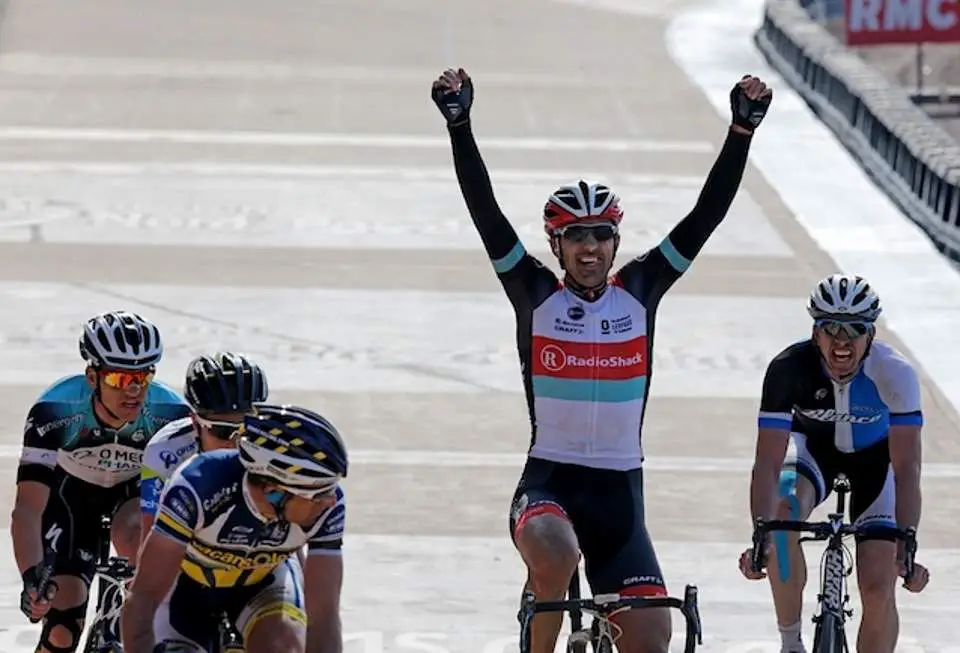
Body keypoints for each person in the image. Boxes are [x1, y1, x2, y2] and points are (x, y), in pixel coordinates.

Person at [431, 67, 772, 653]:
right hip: (549, 484)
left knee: (653, 640)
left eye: (601, 235)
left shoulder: (640, 291)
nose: (589, 248)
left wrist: (741, 131)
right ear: (555, 244)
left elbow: (704, 216)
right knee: (558, 556)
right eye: (576, 236)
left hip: (620, 496)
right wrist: (460, 125)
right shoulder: (536, 296)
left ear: (616, 240)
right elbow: (485, 211)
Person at [738, 274, 930, 653]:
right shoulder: (788, 369)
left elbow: (907, 468)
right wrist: (761, 534)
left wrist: (906, 541)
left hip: (875, 463)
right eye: (831, 328)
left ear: (870, 335)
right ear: (815, 333)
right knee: (782, 514)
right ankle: (791, 644)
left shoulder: (895, 373)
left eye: (854, 329)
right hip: (814, 453)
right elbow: (768, 462)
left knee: (877, 588)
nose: (842, 341)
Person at [11, 310, 191, 653]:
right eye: (121, 380)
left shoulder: (173, 415)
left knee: (133, 529)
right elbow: (28, 508)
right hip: (72, 499)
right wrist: (32, 576)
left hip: (134, 496)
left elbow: (181, 505)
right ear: (92, 376)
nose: (135, 390)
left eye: (144, 376)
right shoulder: (54, 410)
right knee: (61, 629)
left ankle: (125, 601)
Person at [121, 403, 347, 653]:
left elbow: (324, 616)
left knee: (284, 646)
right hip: (185, 589)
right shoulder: (199, 484)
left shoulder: (327, 507)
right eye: (318, 495)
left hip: (265, 585)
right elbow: (144, 596)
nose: (331, 501)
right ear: (274, 492)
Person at [140, 351, 270, 541]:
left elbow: (291, 539)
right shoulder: (164, 450)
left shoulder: (273, 445)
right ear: (194, 422)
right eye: (222, 431)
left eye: (245, 430)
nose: (234, 443)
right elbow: (150, 537)